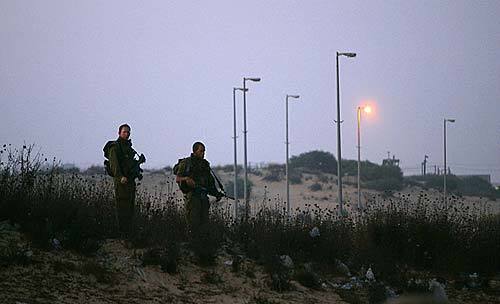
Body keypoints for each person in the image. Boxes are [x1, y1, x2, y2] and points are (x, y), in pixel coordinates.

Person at [175, 142, 223, 236]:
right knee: (193, 225)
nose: (203, 153)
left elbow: (210, 184)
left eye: (204, 151)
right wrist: (187, 179)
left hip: (203, 198)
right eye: (201, 151)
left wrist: (217, 194)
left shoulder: (205, 165)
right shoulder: (186, 163)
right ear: (195, 151)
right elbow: (178, 178)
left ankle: (201, 246)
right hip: (192, 198)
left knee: (204, 226)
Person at [108, 123, 138, 237]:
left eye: (128, 132)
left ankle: (129, 233)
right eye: (124, 132)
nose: (127, 134)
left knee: (130, 208)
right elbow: (114, 165)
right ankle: (122, 234)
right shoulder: (115, 147)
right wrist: (120, 177)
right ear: (119, 133)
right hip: (121, 182)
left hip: (130, 181)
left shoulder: (129, 148)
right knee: (122, 208)